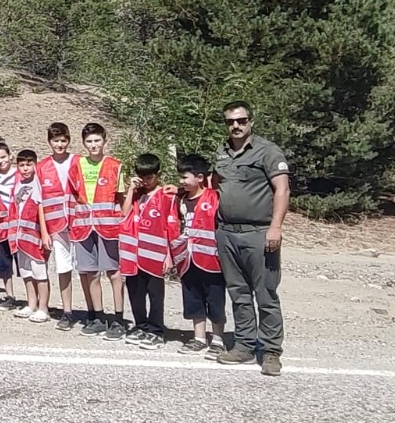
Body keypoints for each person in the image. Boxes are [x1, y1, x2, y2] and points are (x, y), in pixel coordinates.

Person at [212, 101, 290, 376]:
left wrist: (276, 228)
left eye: (241, 120)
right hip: (227, 232)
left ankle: (270, 351)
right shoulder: (221, 151)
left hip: (259, 233)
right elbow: (215, 186)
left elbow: (282, 189)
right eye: (231, 121)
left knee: (265, 293)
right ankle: (244, 345)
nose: (236, 126)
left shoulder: (267, 151)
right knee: (238, 293)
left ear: (251, 122)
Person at [69, 123, 126, 338]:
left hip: (108, 227)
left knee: (113, 273)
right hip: (83, 227)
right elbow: (74, 196)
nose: (93, 145)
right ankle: (99, 317)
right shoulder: (77, 165)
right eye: (89, 141)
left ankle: (118, 319)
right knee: (90, 273)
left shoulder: (115, 166)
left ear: (104, 140)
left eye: (97, 141)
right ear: (84, 143)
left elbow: (120, 198)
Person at [117, 153, 178, 350]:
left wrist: (169, 255)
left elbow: (171, 226)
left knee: (155, 293)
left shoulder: (166, 195)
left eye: (149, 177)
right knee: (135, 290)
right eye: (142, 177)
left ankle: (156, 330)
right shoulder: (137, 193)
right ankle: (141, 325)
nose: (146, 181)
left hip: (156, 252)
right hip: (134, 252)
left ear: (157, 175)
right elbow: (124, 213)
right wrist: (131, 189)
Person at [174, 154, 227, 358]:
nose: (181, 181)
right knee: (193, 299)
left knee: (215, 300)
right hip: (188, 261)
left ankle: (218, 339)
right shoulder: (181, 199)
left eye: (185, 177)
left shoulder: (214, 198)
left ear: (200, 177)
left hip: (212, 261)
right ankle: (199, 338)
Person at [36, 122, 81, 330]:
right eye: (56, 141)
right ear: (49, 142)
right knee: (63, 268)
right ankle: (67, 311)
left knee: (87, 269)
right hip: (56, 226)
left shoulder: (79, 162)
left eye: (63, 140)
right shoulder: (42, 166)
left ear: (69, 140)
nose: (60, 145)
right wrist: (44, 232)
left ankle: (94, 312)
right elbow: (39, 202)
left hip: (80, 224)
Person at [5, 149, 53, 324]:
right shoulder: (17, 182)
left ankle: (43, 308)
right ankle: (31, 303)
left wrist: (44, 234)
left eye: (29, 164)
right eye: (22, 165)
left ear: (35, 164)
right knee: (26, 272)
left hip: (34, 235)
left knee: (40, 273)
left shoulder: (38, 183)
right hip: (19, 237)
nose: (25, 168)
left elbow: (41, 207)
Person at [0, 142, 21, 310]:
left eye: (3, 157)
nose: (1, 161)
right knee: (4, 262)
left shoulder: (20, 174)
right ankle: (10, 295)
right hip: (1, 226)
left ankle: (34, 298)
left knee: (25, 262)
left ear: (10, 156)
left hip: (20, 225)